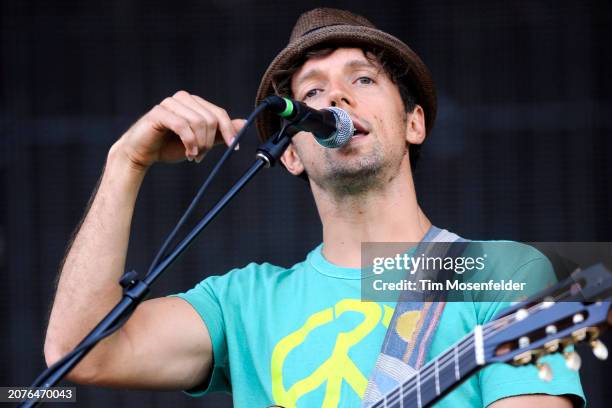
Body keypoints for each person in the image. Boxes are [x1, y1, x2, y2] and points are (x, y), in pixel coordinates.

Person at [44, 8, 584, 408]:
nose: (336, 99)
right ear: (294, 153)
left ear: (414, 123)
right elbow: (80, 353)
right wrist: (126, 162)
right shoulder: (243, 303)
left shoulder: (507, 274)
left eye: (363, 79)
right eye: (313, 93)